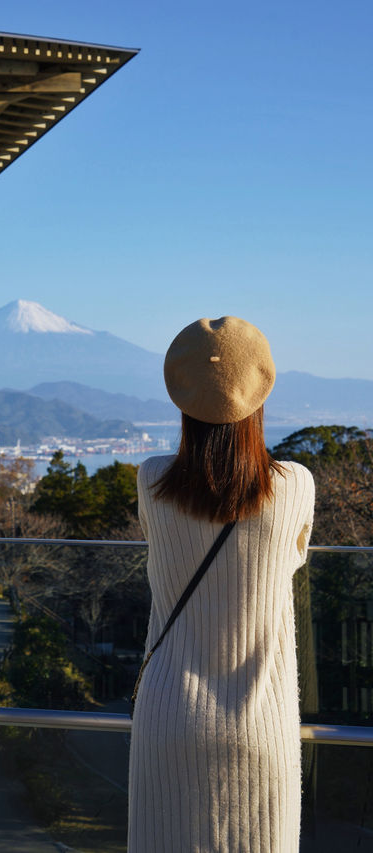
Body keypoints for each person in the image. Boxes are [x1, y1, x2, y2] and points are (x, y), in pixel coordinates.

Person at [128, 316, 315, 853]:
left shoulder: (151, 480)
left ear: (181, 396)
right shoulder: (295, 485)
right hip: (262, 724)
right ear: (259, 391)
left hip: (166, 719)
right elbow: (292, 559)